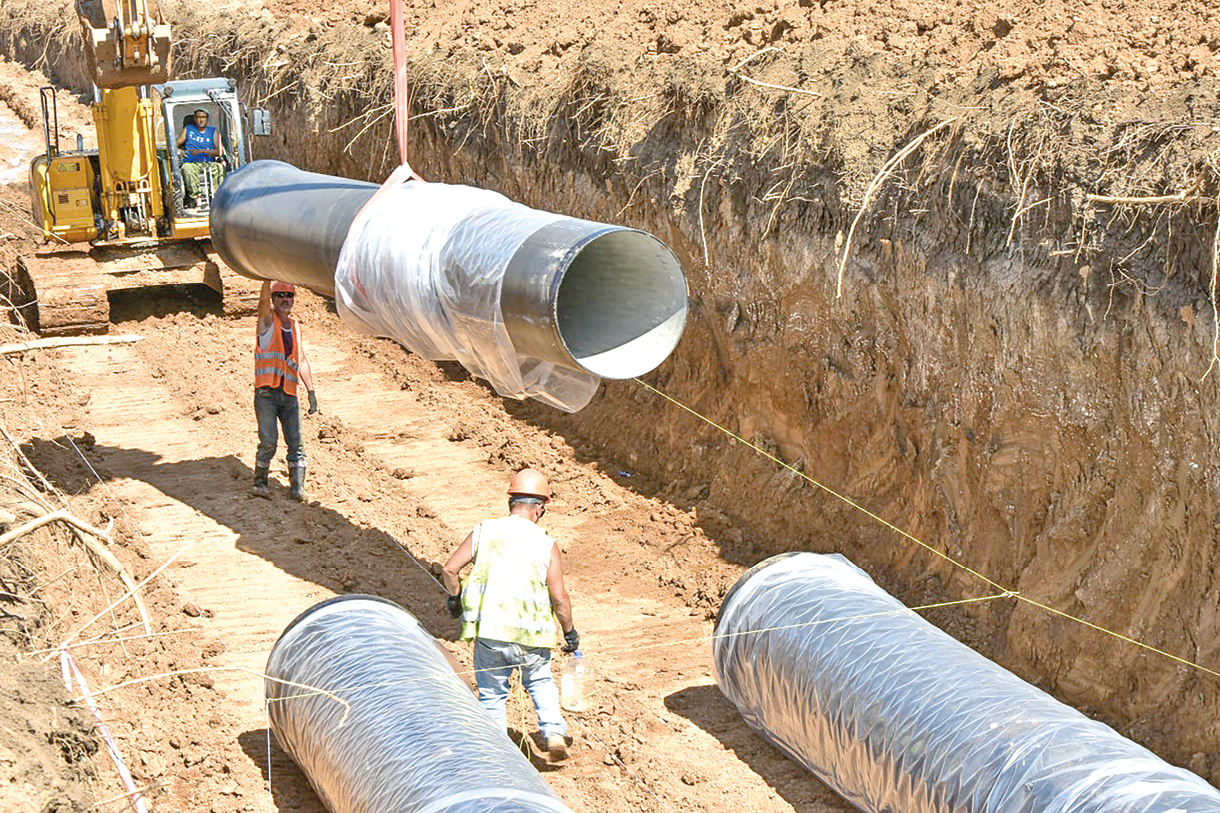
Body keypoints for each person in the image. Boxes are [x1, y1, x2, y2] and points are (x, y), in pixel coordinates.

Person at [442, 468, 580, 761]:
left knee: (492, 694)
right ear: (540, 507)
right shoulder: (546, 544)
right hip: (534, 636)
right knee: (540, 682)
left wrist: (455, 599)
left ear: (511, 501)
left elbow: (449, 569)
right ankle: (553, 732)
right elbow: (559, 597)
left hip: (492, 633)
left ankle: (497, 753)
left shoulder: (484, 530)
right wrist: (569, 631)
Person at [252, 280, 317, 501]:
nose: (284, 299)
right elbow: (261, 302)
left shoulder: (295, 326)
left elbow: (302, 360)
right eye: (279, 295)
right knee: (269, 441)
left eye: (289, 296)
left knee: (296, 444)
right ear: (273, 299)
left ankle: (297, 488)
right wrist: (266, 279)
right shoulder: (267, 321)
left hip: (289, 393)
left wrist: (311, 390)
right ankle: (260, 483)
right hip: (267, 394)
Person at [175, 108, 224, 210]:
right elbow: (175, 144)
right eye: (198, 117)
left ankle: (217, 198)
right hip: (192, 162)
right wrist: (181, 151)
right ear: (194, 119)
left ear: (207, 119)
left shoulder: (213, 131)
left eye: (203, 117)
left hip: (208, 163)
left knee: (219, 168)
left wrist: (202, 151)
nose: (201, 120)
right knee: (187, 169)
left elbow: (219, 152)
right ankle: (198, 200)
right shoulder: (188, 129)